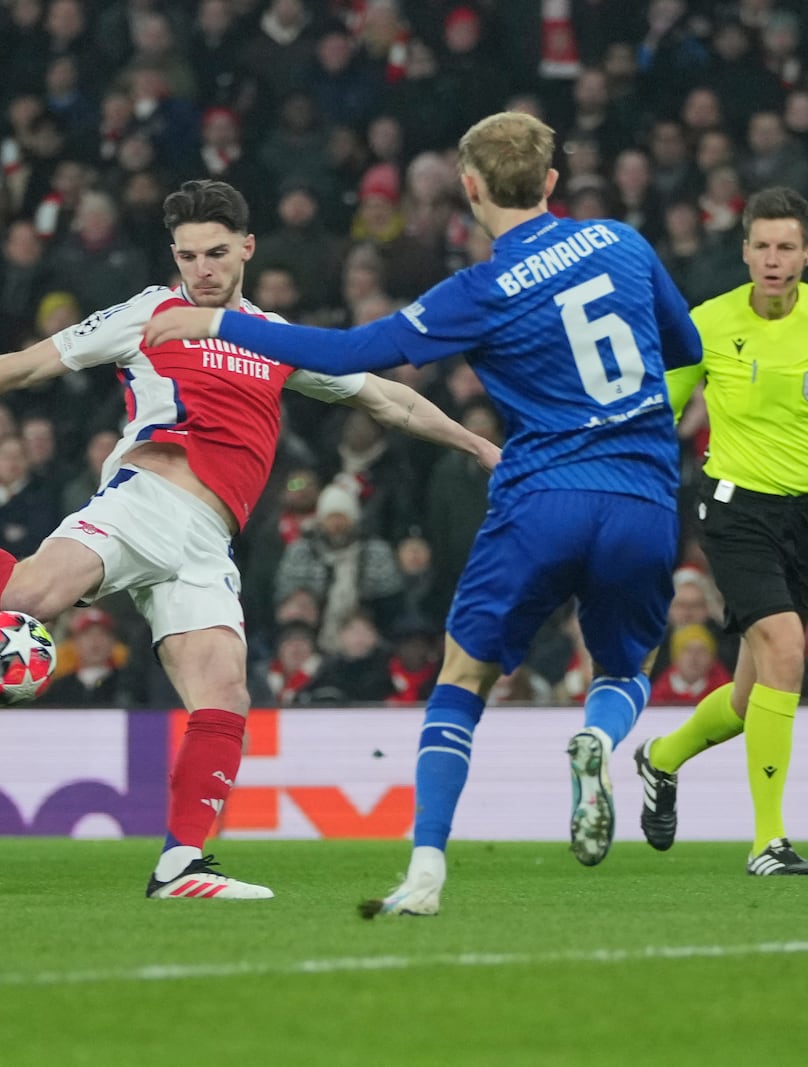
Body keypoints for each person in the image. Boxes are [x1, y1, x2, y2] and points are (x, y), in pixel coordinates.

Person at [0, 179, 499, 902]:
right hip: (145, 498)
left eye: (216, 253)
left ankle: (182, 863)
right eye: (188, 255)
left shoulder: (271, 336)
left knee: (225, 692)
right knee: (29, 595)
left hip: (209, 539)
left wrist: (480, 448)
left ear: (246, 248)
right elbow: (32, 363)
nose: (202, 269)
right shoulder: (151, 311)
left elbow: (386, 396)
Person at [143, 111, 702, 914]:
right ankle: (599, 740)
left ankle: (427, 870)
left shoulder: (481, 290)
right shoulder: (624, 242)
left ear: (469, 190)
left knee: (462, 680)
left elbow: (346, 354)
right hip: (646, 496)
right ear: (549, 183)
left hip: (542, 495)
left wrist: (216, 321)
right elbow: (685, 351)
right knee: (621, 668)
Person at [627, 187, 808, 875]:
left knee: (755, 696)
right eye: (762, 246)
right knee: (785, 644)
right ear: (744, 251)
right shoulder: (706, 324)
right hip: (733, 508)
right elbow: (662, 407)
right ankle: (768, 841)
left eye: (787, 247)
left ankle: (660, 758)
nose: (774, 260)